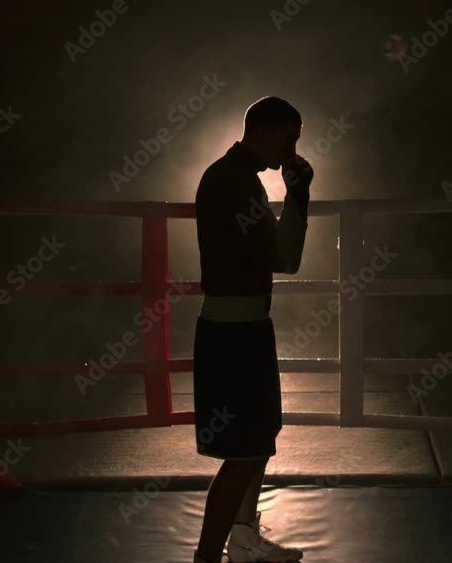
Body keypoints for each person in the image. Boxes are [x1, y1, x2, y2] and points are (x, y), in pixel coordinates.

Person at [191, 96, 312, 563]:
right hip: (235, 333)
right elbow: (287, 259)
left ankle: (240, 537)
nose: (293, 148)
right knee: (244, 450)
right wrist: (298, 192)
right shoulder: (235, 183)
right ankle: (206, 556)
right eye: (290, 136)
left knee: (257, 438)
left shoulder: (232, 178)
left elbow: (278, 257)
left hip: (240, 327)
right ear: (265, 132)